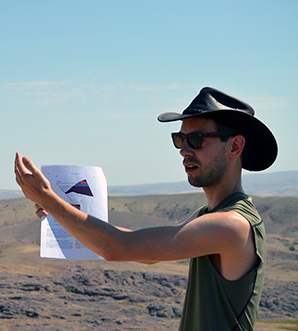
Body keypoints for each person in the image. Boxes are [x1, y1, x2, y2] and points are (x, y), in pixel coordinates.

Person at [14, 87, 278, 330]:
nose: (183, 150)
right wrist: (62, 215)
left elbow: (117, 247)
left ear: (234, 146)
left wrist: (51, 201)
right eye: (180, 139)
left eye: (196, 139)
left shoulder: (232, 224)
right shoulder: (210, 216)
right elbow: (145, 251)